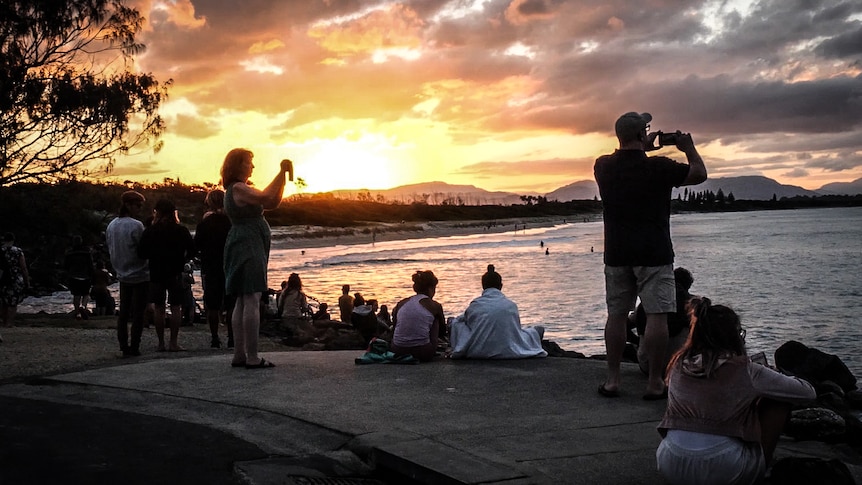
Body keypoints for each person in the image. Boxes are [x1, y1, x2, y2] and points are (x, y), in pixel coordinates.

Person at [594, 111, 707, 400]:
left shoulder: (603, 166)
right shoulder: (659, 168)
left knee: (617, 316)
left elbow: (625, 158)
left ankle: (613, 380)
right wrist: (688, 148)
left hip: (617, 253)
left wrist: (640, 146)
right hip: (654, 252)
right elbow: (699, 174)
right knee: (657, 316)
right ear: (643, 134)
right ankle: (655, 382)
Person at [656, 297, 816, 484]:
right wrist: (773, 375)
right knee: (777, 401)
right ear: (734, 336)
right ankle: (761, 468)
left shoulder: (678, 364)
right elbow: (808, 393)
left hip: (670, 462)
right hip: (723, 467)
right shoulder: (746, 370)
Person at [221, 148, 293, 369]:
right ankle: (251, 356)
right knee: (251, 297)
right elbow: (266, 198)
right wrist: (281, 172)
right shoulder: (239, 188)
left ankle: (240, 354)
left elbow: (273, 202)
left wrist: (283, 176)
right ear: (238, 165)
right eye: (249, 162)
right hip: (247, 244)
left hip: (245, 242)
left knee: (243, 299)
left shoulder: (237, 189)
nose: (253, 166)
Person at [449, 264, 547, 359]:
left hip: (479, 350)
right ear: (501, 286)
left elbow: (464, 320)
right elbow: (515, 331)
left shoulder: (476, 305)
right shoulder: (511, 305)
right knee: (536, 331)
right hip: (509, 348)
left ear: (483, 286)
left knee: (454, 322)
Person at [137, 198, 196, 352]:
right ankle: (174, 342)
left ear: (157, 212)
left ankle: (161, 343)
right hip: (175, 271)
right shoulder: (181, 230)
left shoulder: (150, 231)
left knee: (159, 307)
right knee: (176, 307)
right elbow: (192, 250)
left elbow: (141, 253)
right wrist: (183, 260)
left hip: (156, 271)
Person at [105, 191, 150, 357]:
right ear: (129, 205)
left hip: (122, 273)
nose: (139, 209)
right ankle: (135, 346)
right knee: (138, 312)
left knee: (123, 312)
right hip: (139, 273)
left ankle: (123, 345)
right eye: (138, 205)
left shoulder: (111, 225)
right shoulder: (136, 225)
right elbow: (142, 249)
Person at [631, 267, 695, 375]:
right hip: (678, 366)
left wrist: (637, 341)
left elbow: (625, 326)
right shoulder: (693, 306)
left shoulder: (648, 303)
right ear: (687, 287)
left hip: (647, 366)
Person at [194, 188, 234, 348]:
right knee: (231, 304)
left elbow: (196, 245)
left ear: (209, 203)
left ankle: (215, 337)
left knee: (212, 305)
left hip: (210, 267)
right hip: (230, 266)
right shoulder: (231, 222)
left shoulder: (204, 224)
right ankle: (232, 337)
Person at [391, 270, 446, 362]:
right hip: (423, 352)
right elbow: (442, 331)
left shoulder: (401, 303)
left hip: (397, 350)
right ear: (430, 289)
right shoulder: (435, 305)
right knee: (435, 319)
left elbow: (394, 327)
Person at [0, 232, 30, 329]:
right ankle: (9, 323)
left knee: (4, 301)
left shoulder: (1, 250)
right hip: (15, 278)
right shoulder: (17, 251)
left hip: (2, 278)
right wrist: (27, 280)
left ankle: (4, 321)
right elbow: (23, 267)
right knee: (13, 302)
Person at [63, 235, 95, 320]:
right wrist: (92, 275)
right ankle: (83, 306)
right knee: (86, 294)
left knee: (76, 295)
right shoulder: (87, 252)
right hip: (85, 276)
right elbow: (90, 265)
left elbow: (66, 265)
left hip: (73, 276)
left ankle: (77, 313)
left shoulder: (70, 253)